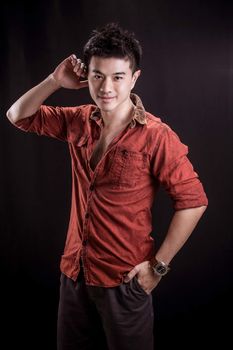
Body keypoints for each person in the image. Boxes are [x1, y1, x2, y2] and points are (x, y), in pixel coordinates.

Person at [6, 23, 208, 350]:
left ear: (134, 78)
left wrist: (158, 266)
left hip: (124, 282)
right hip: (74, 275)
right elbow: (17, 115)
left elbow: (194, 201)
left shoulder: (156, 136)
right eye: (98, 76)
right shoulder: (80, 120)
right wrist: (55, 81)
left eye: (117, 77)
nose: (106, 88)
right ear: (88, 77)